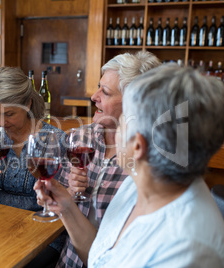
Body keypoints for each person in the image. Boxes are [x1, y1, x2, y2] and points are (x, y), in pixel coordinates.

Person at [35, 64, 224, 267]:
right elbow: (100, 258)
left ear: (138, 145)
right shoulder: (140, 183)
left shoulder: (185, 249)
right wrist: (66, 207)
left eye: (123, 122)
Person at [57, 51, 161, 268]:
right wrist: (68, 194)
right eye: (98, 87)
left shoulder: (149, 160)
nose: (94, 97)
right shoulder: (79, 138)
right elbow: (57, 211)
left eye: (105, 92)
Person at [0, 66, 66, 267]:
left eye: (10, 114)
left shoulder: (54, 140)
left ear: (28, 103)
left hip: (41, 230)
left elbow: (63, 203)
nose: (1, 122)